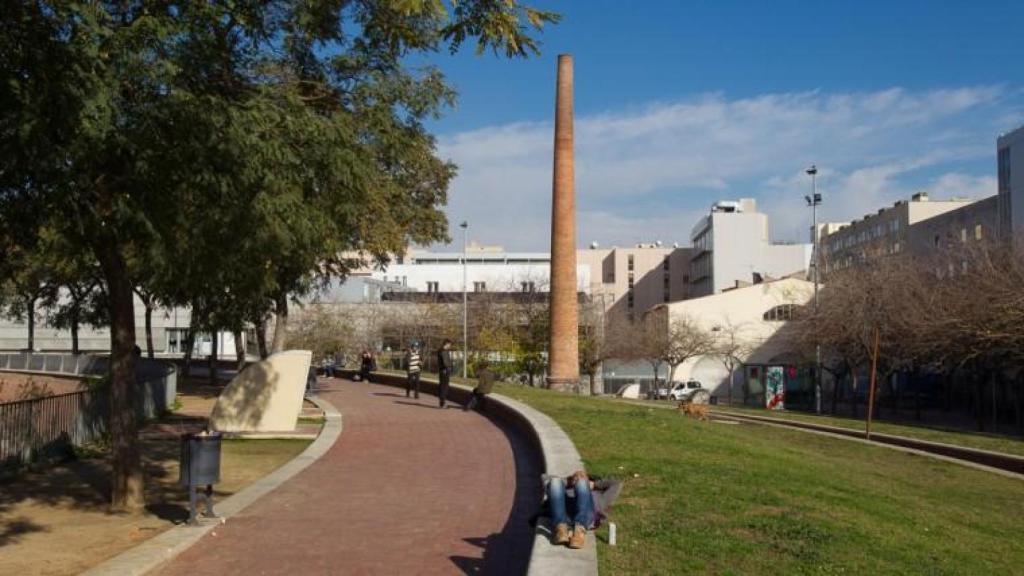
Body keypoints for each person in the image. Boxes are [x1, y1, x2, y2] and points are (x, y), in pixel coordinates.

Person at [543, 471, 623, 549]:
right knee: (555, 481)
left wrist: (594, 484)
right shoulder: (567, 490)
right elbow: (545, 478)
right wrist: (569, 481)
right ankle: (561, 530)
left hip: (586, 519)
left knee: (581, 484)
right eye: (576, 478)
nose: (578, 479)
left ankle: (579, 532)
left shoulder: (600, 497)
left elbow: (618, 483)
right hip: (565, 517)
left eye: (583, 477)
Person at [436, 339, 453, 408]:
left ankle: (442, 401)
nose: (450, 346)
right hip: (444, 371)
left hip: (443, 370)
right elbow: (445, 361)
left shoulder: (442, 351)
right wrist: (448, 367)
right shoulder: (443, 351)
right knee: (444, 386)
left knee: (443, 386)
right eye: (449, 344)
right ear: (447, 344)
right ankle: (442, 401)